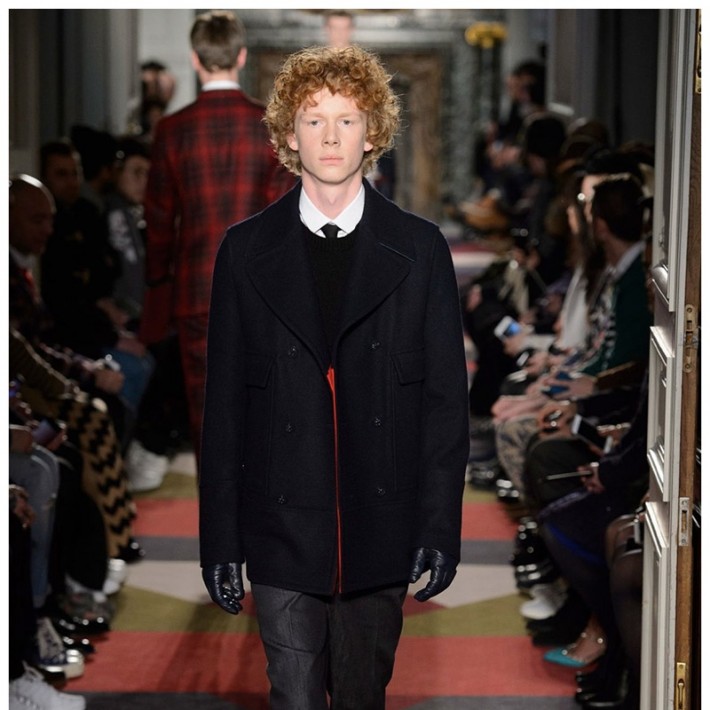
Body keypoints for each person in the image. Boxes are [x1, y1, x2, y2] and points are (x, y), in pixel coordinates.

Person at [199, 45, 470, 709]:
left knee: (360, 696)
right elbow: (223, 410)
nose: (329, 136)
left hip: (380, 525)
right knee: (292, 696)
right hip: (281, 523)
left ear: (372, 132)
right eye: (313, 119)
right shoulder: (244, 250)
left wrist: (439, 527)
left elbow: (445, 407)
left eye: (346, 120)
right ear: (289, 134)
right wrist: (220, 539)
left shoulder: (420, 249)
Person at [142, 10, 295, 459]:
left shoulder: (172, 131)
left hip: (197, 288)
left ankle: (216, 504)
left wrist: (157, 283)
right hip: (261, 288)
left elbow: (158, 220)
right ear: (241, 56)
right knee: (262, 406)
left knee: (206, 412)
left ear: (195, 59)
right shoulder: (270, 125)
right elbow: (285, 216)